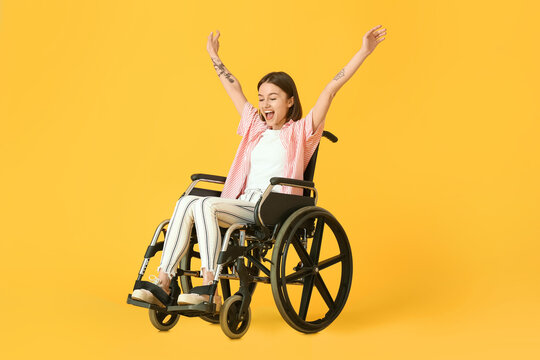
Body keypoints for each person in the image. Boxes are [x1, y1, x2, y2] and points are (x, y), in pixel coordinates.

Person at [132, 25, 387, 309]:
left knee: (203, 205)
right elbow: (233, 87)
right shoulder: (255, 127)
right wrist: (213, 55)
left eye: (273, 97)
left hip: (270, 208)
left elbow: (330, 90)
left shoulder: (301, 132)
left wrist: (364, 51)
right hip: (241, 203)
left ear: (290, 102)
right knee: (186, 202)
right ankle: (163, 282)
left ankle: (209, 286)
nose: (265, 104)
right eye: (261, 97)